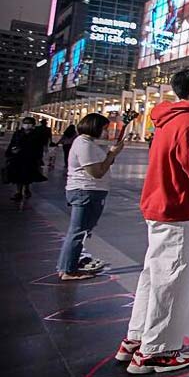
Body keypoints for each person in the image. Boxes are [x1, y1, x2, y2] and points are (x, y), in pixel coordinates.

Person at [116, 67, 189, 374]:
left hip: (159, 204)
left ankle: (136, 338)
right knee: (172, 279)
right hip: (178, 208)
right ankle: (157, 351)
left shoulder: (168, 119)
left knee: (154, 275)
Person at [55, 114, 123, 281]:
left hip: (91, 191)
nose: (106, 132)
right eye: (105, 129)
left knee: (82, 230)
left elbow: (102, 164)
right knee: (78, 231)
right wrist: (111, 154)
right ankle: (68, 269)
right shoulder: (83, 144)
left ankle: (69, 264)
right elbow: (96, 172)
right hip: (85, 191)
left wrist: (111, 154)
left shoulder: (89, 143)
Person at [5, 116, 47, 201]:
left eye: (29, 123)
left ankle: (26, 189)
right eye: (25, 123)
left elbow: (39, 147)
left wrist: (39, 158)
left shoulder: (37, 134)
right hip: (18, 157)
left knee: (27, 175)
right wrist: (10, 152)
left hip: (30, 158)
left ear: (33, 124)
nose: (27, 125)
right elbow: (12, 143)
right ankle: (18, 192)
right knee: (18, 175)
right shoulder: (18, 133)